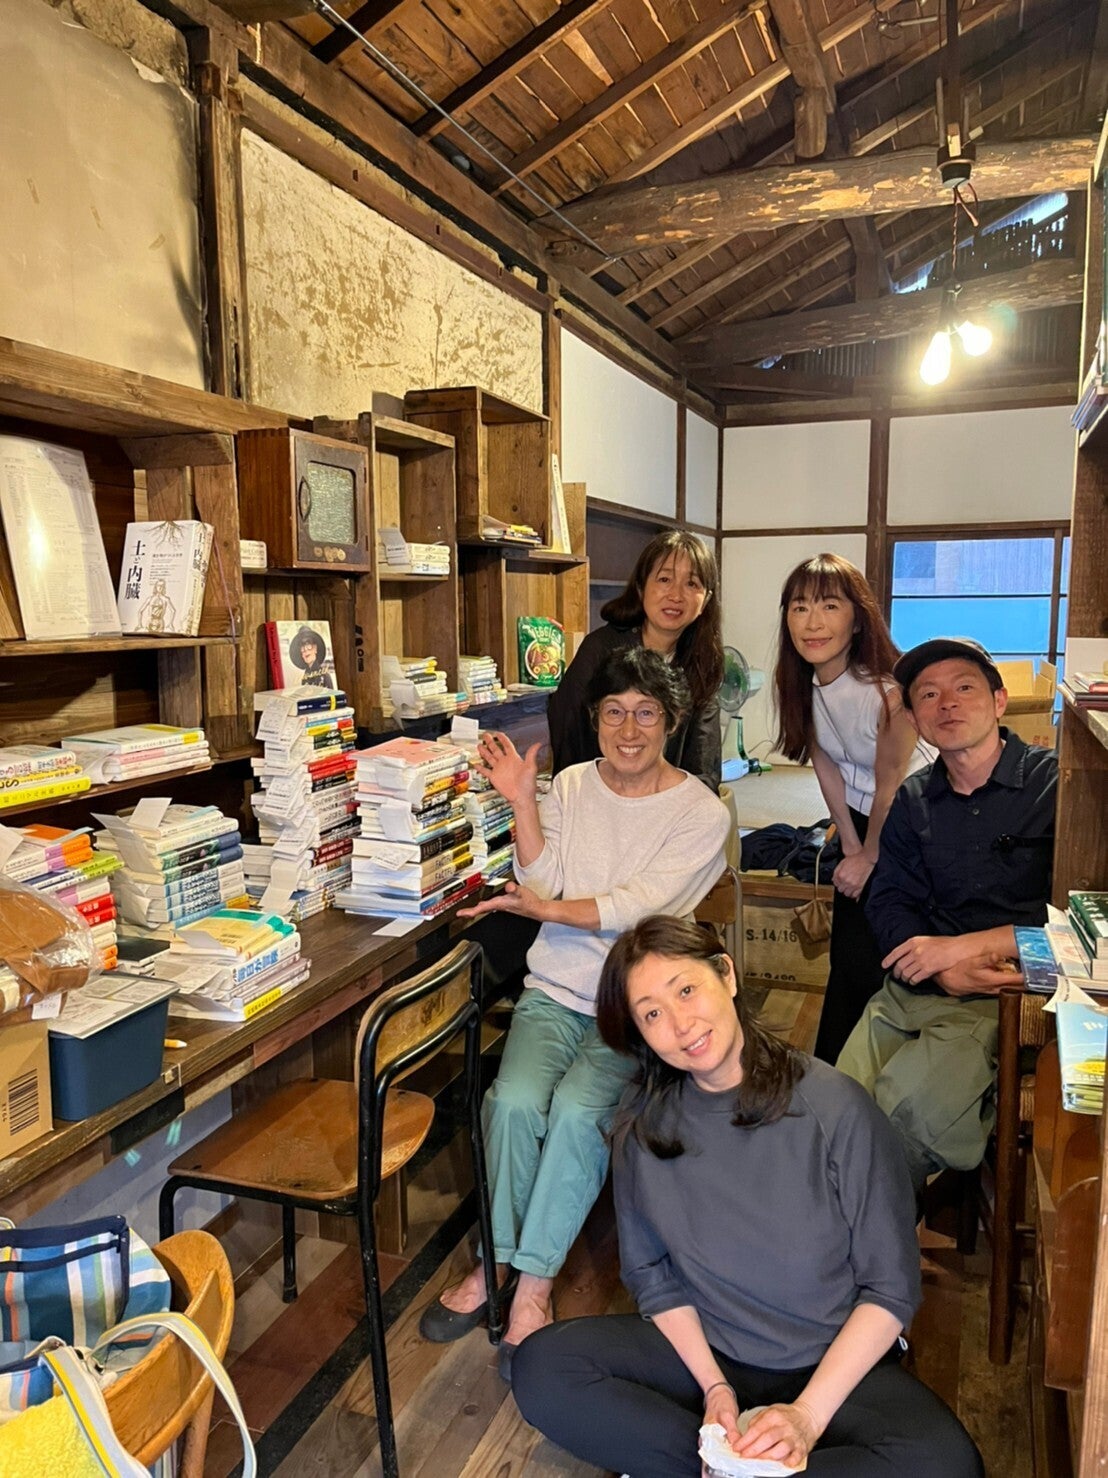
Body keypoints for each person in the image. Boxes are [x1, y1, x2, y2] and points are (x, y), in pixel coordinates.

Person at [511, 915, 984, 1478]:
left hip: (827, 1366)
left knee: (949, 1464)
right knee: (543, 1367)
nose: (681, 1024)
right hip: (707, 1357)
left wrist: (806, 1417)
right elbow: (651, 1276)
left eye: (687, 990)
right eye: (652, 1014)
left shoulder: (836, 1107)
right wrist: (715, 1388)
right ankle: (732, 1464)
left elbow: (890, 1288)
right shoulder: (643, 1124)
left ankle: (728, 1464)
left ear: (726, 975)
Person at [419, 648, 730, 1377]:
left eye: (645, 713)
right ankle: (496, 1261)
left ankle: (534, 1284)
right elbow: (545, 876)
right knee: (511, 1103)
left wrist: (544, 910)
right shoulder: (573, 783)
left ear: (671, 722)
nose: (629, 729)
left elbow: (637, 909)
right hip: (555, 988)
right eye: (613, 712)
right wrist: (525, 803)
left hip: (635, 1003)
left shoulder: (701, 814)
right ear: (594, 720)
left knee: (577, 1114)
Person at [837, 638, 1057, 1193]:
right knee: (835, 1110)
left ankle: (865, 1237)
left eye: (964, 688)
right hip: (915, 988)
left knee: (904, 1116)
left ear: (1000, 701)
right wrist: (940, 969)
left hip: (1005, 997)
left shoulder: (1055, 787)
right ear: (914, 720)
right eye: (929, 695)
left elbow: (1079, 923)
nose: (948, 703)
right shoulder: (914, 799)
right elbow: (889, 900)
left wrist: (965, 950)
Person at [774, 554, 935, 1064]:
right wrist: (847, 840)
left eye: (829, 606)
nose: (813, 622)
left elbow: (891, 783)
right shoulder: (803, 684)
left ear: (858, 619)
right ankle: (833, 1072)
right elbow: (825, 762)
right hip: (863, 820)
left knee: (874, 954)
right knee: (847, 953)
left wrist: (868, 855)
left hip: (914, 822)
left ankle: (872, 1073)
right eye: (800, 607)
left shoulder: (885, 693)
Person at [547, 531, 723, 793]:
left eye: (691, 584)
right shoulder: (600, 650)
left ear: (706, 599)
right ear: (641, 587)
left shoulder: (703, 663)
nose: (676, 595)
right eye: (664, 579)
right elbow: (569, 736)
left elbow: (704, 764)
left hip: (669, 804)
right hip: (599, 798)